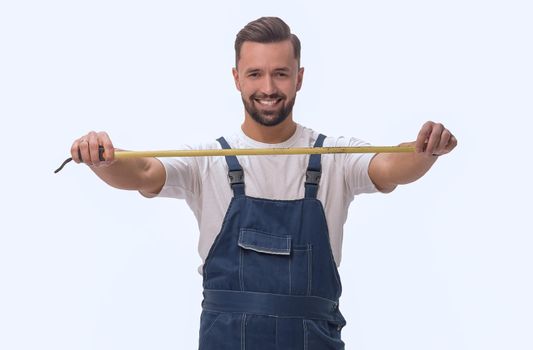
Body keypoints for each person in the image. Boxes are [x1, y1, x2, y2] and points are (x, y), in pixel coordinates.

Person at [71, 17, 457, 350]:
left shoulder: (334, 156)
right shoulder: (210, 160)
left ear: (299, 78)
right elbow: (139, 172)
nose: (268, 87)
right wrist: (101, 158)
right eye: (255, 73)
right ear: (236, 78)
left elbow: (392, 165)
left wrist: (424, 151)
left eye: (280, 73)